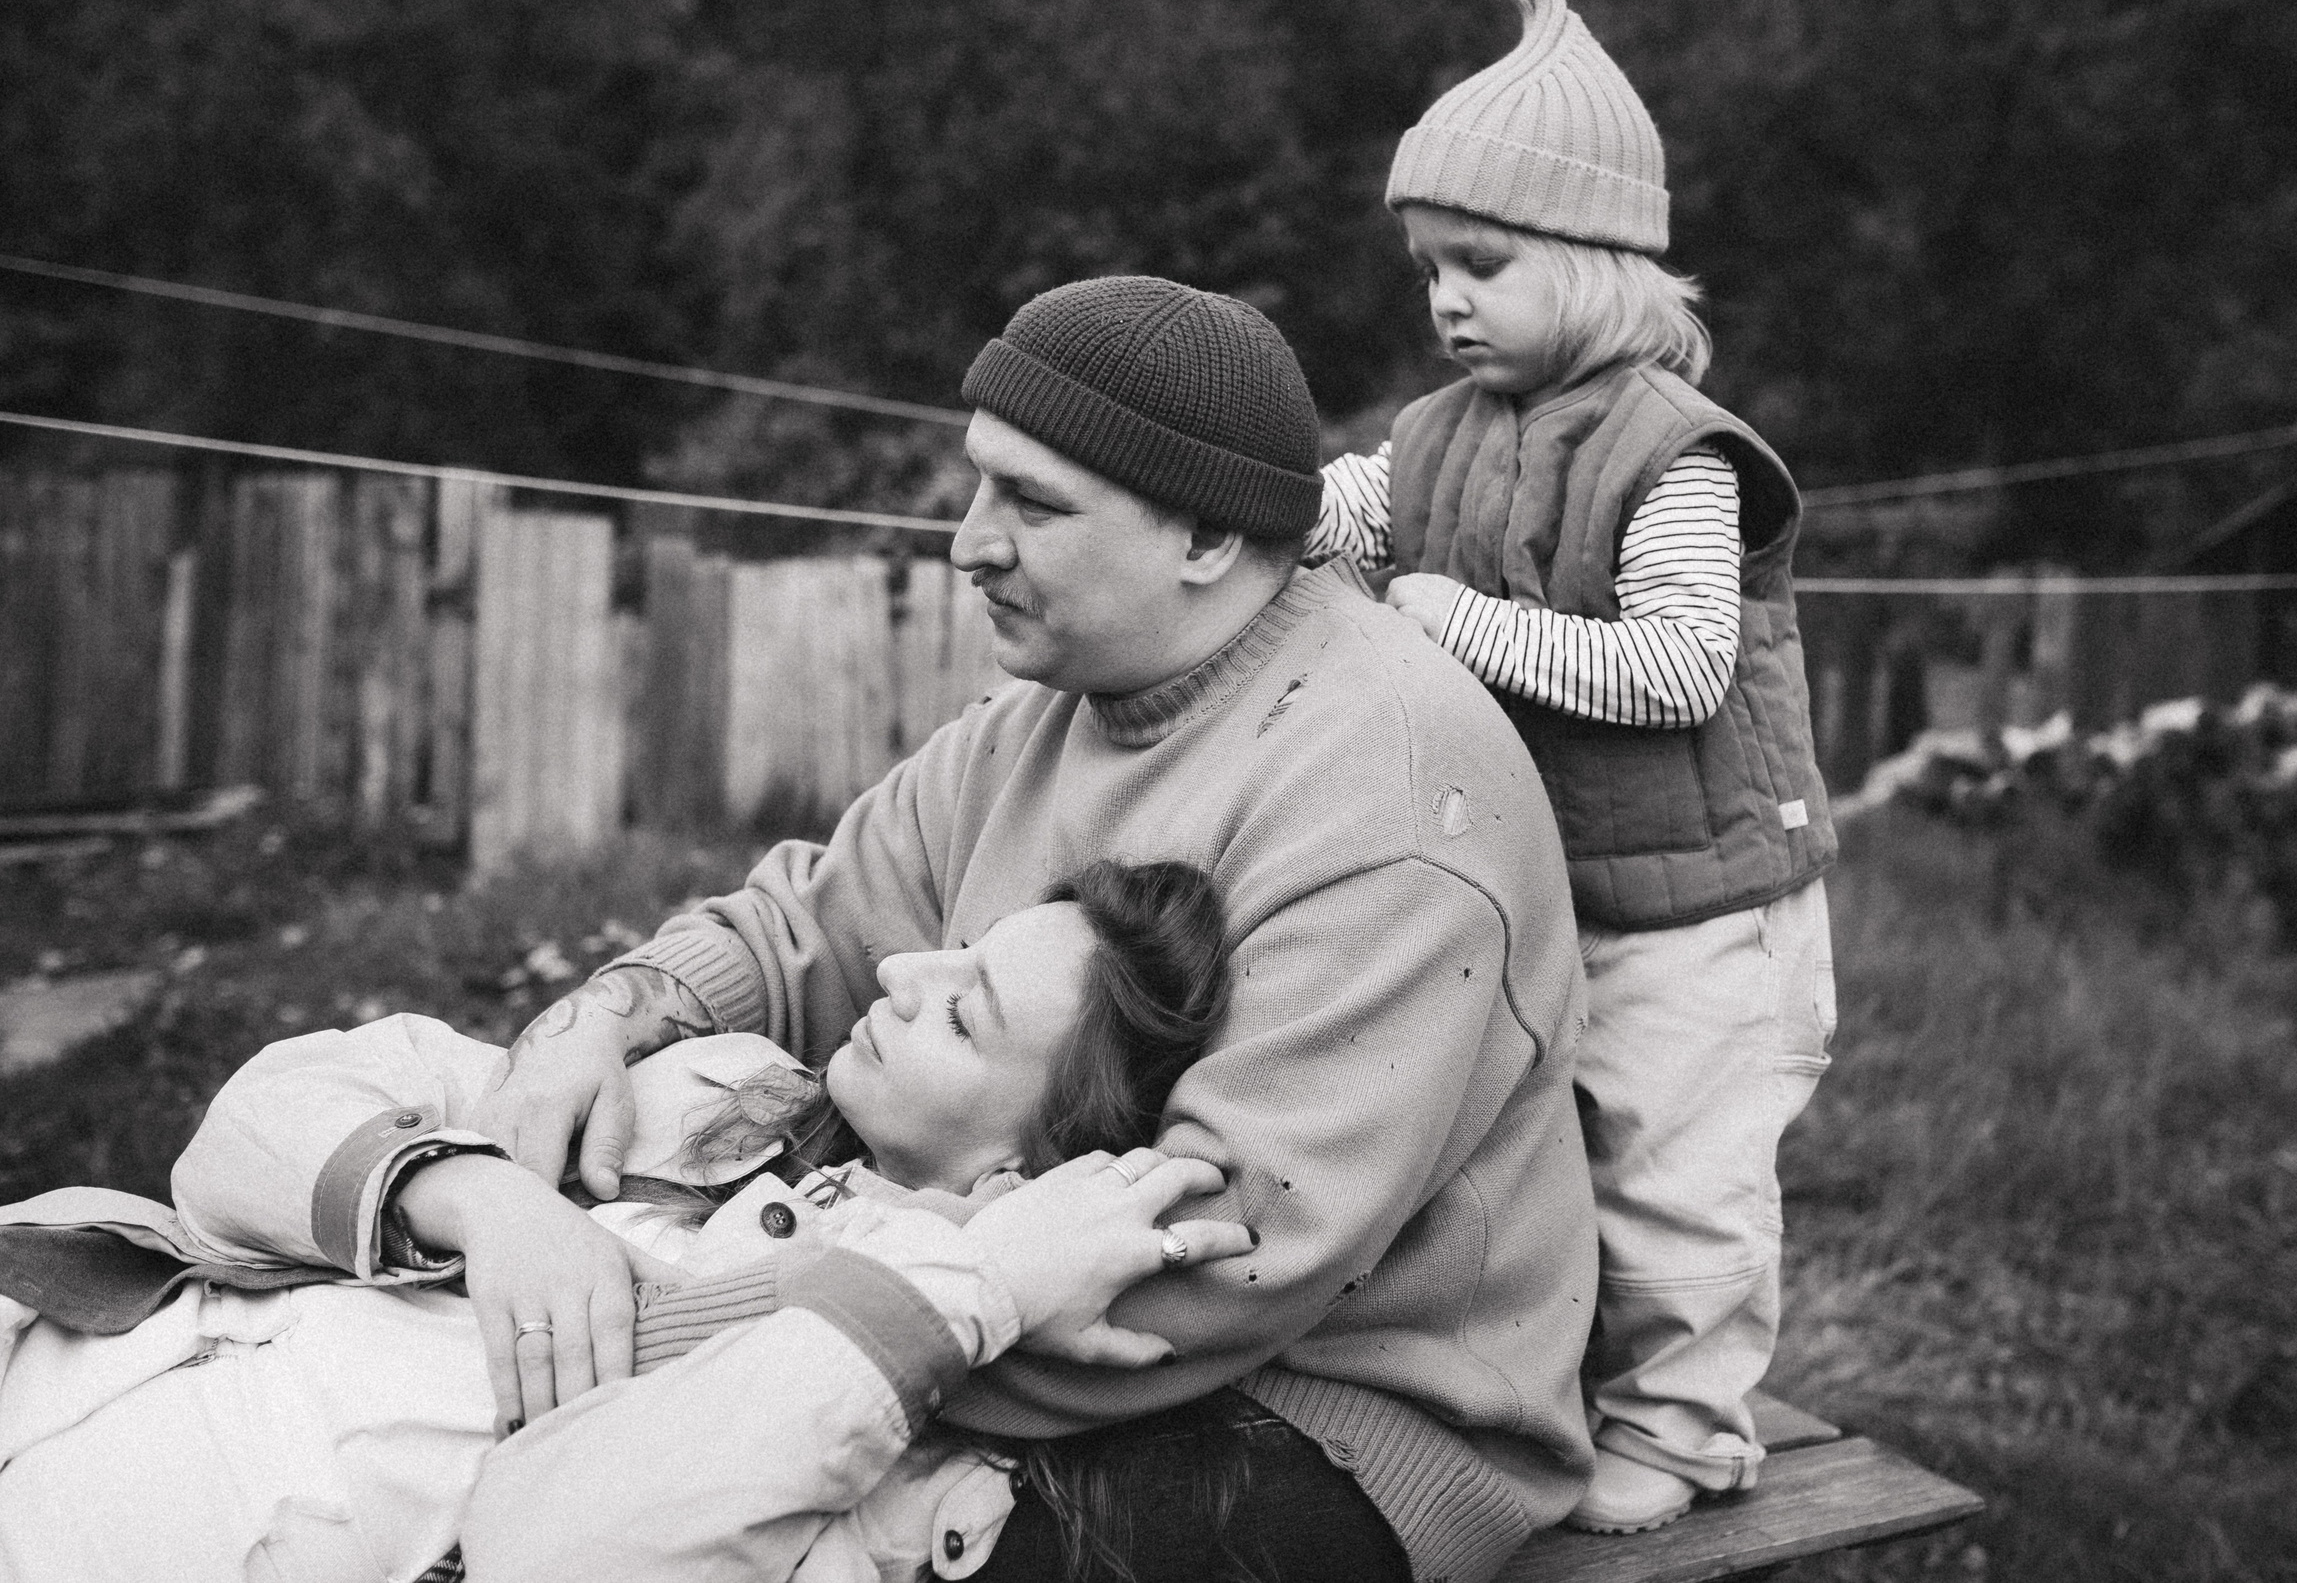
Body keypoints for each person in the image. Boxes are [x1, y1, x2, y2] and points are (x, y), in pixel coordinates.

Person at [473, 276, 1600, 1583]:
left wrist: (716, 1332)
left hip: (1320, 1416)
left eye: (1035, 503)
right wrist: (599, 1023)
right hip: (1006, 1313)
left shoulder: (1392, 797)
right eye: (979, 485)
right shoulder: (1054, 709)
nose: (969, 543)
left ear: (1207, 538)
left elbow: (1221, 1256)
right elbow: (809, 924)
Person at [0, 863, 1253, 1583]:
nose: (894, 976)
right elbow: (245, 1131)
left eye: (963, 1014)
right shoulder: (708, 1087)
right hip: (45, 1343)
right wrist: (478, 1197)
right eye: (952, 951)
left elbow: (561, 1551)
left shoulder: (898, 1411)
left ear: (1014, 1172)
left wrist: (952, 1291)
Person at [1303, 0, 1840, 1536]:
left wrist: (1453, 620)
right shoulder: (1446, 426)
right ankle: (1548, 1392)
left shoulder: (1677, 453)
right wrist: (1245, 502)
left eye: (1482, 262)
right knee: (1553, 1157)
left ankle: (1682, 1429)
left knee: (1679, 1171)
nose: (1445, 298)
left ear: (1605, 267)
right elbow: (1349, 506)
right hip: (1561, 883)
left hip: (1706, 906)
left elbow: (1678, 667)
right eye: (1428, 268)